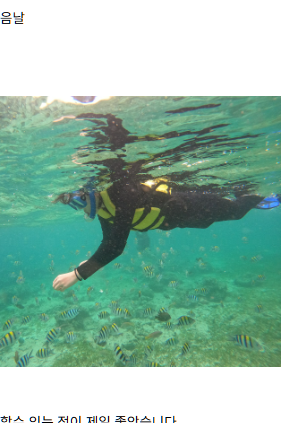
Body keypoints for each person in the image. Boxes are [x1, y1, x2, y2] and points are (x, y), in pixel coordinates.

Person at [52, 108, 276, 288]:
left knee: (236, 212)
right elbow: (109, 242)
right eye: (74, 205)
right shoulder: (104, 210)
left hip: (189, 204)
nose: (80, 207)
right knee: (219, 215)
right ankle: (244, 194)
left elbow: (115, 247)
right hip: (180, 219)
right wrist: (92, 263)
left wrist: (77, 274)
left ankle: (256, 196)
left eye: (79, 200)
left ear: (90, 191)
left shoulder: (120, 193)